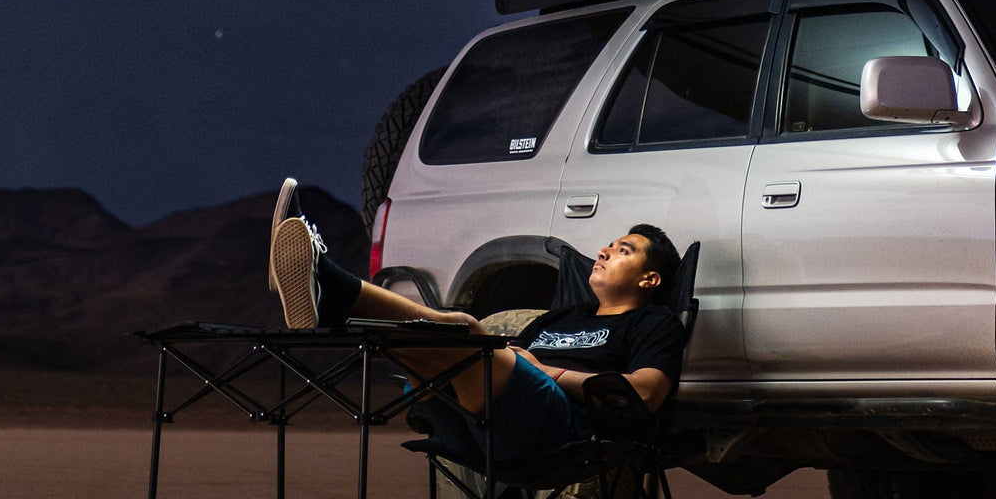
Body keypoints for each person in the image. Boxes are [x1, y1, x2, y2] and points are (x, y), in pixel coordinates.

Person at [267, 178, 686, 463]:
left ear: (650, 278)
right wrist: (516, 360)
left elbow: (645, 394)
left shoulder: (653, 323)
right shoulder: (561, 318)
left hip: (561, 434)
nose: (604, 251)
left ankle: (330, 286)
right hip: (475, 426)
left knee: (466, 333)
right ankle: (332, 304)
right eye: (608, 245)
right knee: (436, 353)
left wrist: (546, 372)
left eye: (624, 250)